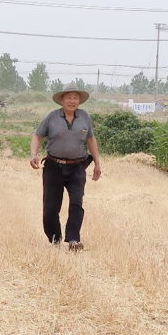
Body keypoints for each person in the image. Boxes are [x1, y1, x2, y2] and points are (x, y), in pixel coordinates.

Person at [30, 83, 102, 251]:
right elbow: (37, 136)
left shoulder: (85, 117)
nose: (72, 101)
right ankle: (55, 239)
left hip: (77, 167)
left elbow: (91, 140)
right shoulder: (51, 117)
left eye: (75, 98)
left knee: (77, 202)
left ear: (79, 101)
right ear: (61, 100)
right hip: (53, 167)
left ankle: (73, 240)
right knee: (51, 207)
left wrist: (97, 163)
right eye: (69, 98)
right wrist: (34, 154)